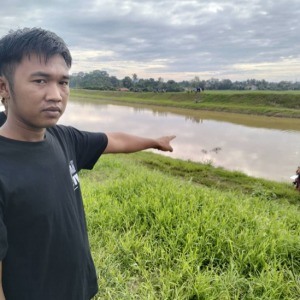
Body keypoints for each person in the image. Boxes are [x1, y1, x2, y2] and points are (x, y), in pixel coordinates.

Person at [0, 28, 176, 300]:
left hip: (78, 289)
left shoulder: (64, 138)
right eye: (40, 81)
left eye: (63, 82)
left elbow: (113, 140)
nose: (56, 95)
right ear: (4, 87)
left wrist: (154, 141)